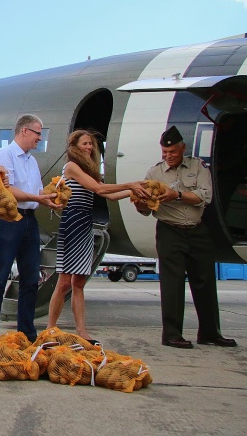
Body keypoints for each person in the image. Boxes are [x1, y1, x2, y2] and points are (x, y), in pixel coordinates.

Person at [134, 126, 237, 349]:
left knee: (205, 281)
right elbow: (145, 208)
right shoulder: (154, 173)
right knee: (173, 283)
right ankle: (171, 335)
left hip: (197, 229)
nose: (168, 157)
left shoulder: (198, 167)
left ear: (183, 148)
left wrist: (177, 195)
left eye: (172, 152)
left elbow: (204, 196)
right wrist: (141, 204)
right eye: (164, 153)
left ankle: (210, 333)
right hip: (169, 230)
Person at [45, 130, 149, 343]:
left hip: (85, 222)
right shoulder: (71, 167)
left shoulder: (90, 170)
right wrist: (130, 184)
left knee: (79, 281)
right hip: (72, 222)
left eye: (91, 144)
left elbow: (109, 195)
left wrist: (134, 191)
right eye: (84, 143)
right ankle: (51, 328)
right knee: (65, 281)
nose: (89, 147)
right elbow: (99, 189)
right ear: (74, 146)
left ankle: (81, 330)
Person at [0, 115, 63, 344]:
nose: (40, 137)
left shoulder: (32, 161)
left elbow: (35, 192)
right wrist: (38, 197)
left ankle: (27, 334)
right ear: (24, 131)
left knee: (30, 278)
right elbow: (7, 191)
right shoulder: (4, 155)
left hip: (29, 219)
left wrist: (48, 199)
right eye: (38, 133)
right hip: (8, 220)